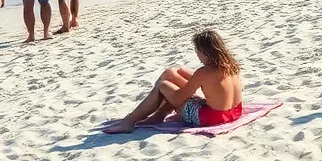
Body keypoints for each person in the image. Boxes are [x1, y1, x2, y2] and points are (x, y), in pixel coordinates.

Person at [102, 30, 243, 133]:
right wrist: (177, 73)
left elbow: (179, 98)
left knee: (164, 86)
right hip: (234, 112)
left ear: (204, 52)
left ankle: (129, 122)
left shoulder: (204, 72)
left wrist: (163, 88)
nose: (197, 55)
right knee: (170, 75)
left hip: (211, 117)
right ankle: (158, 115)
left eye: (197, 52)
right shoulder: (231, 65)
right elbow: (213, 85)